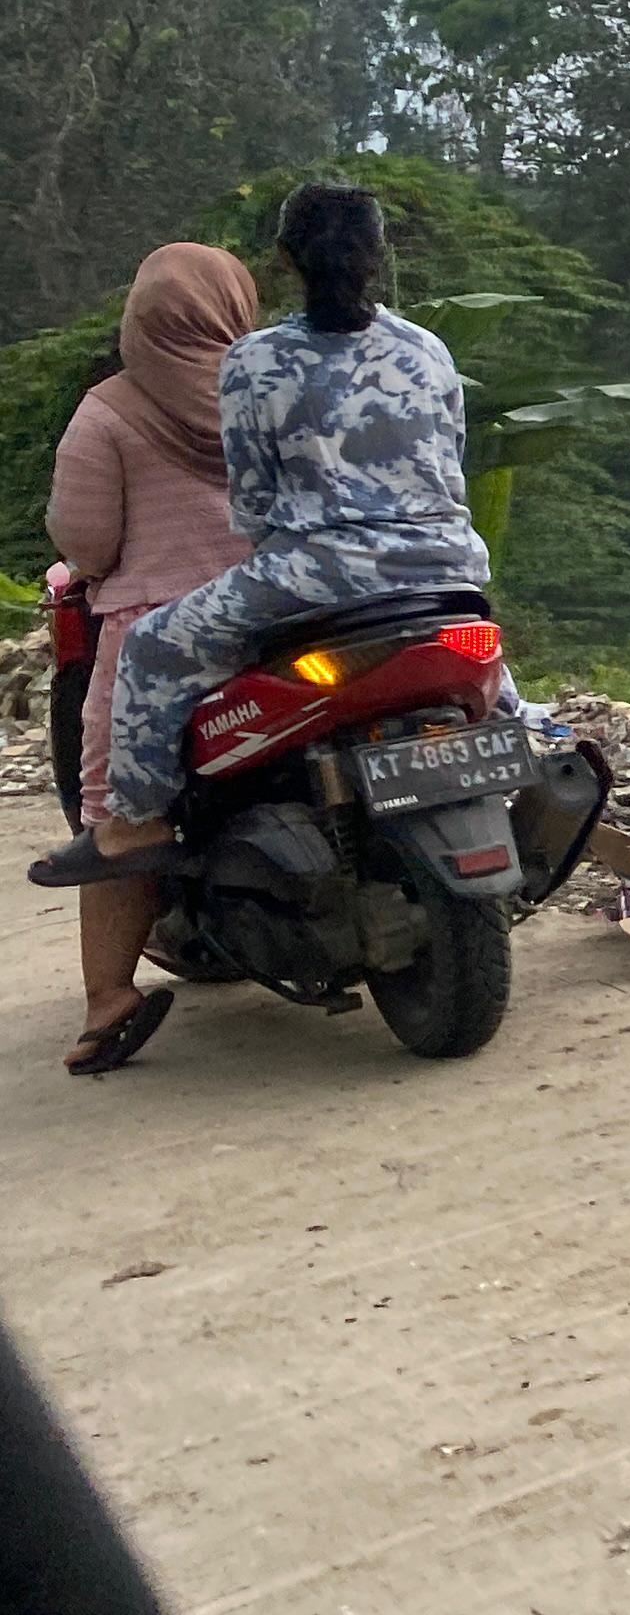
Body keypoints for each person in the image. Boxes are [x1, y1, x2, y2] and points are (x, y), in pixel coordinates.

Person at [39, 186, 493, 916]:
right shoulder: (427, 348)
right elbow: (449, 464)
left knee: (150, 646)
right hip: (450, 563)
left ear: (284, 260)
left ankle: (135, 820)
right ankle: (526, 740)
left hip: (317, 575)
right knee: (483, 661)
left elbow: (253, 504)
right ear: (379, 255)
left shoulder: (256, 361)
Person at [38, 249, 259, 1073]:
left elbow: (87, 543)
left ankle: (108, 1002)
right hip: (284, 616)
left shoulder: (108, 409)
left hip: (156, 641)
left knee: (117, 805)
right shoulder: (273, 390)